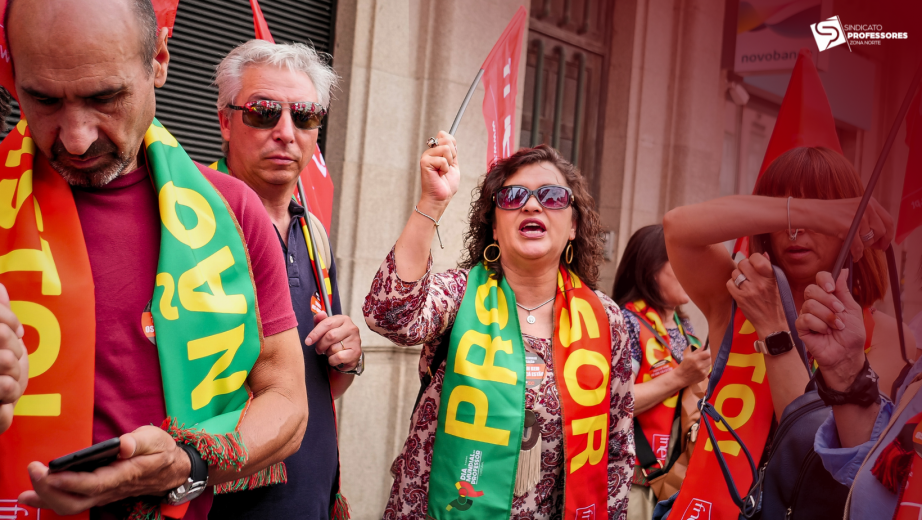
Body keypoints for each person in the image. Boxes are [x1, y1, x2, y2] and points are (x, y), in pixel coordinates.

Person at [0, 0, 308, 518]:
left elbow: (287, 401)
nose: (76, 138)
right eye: (43, 100)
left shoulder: (233, 212)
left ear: (159, 61)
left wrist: (189, 462)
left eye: (105, 97)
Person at [363, 141, 634, 518]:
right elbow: (388, 314)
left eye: (553, 196)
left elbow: (617, 452)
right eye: (513, 196)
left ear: (573, 225)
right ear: (493, 224)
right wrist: (431, 204)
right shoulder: (459, 295)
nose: (532, 205)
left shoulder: (606, 320)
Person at [661, 146, 908, 515]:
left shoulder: (884, 334)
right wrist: (814, 211)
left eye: (823, 211)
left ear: (850, 230)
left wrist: (774, 328)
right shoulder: (732, 295)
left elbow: (816, 447)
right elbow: (678, 227)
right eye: (787, 210)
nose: (797, 229)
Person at [207, 40, 361, 520]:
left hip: (311, 496)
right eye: (262, 112)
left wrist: (348, 355)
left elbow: (319, 384)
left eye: (305, 115)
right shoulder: (189, 223)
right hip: (221, 500)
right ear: (225, 121)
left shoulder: (312, 230)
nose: (285, 132)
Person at [612, 224, 709, 519]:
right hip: (634, 481)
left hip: (677, 476)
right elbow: (614, 401)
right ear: (650, 269)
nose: (690, 272)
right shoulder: (625, 323)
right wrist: (681, 377)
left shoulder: (685, 327)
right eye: (679, 264)